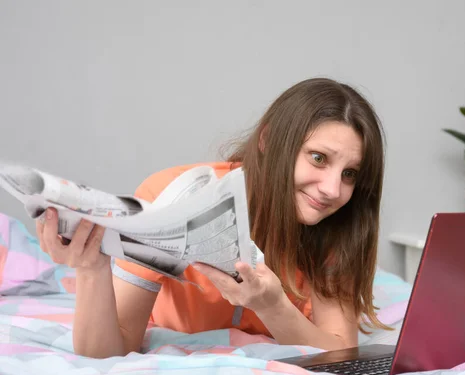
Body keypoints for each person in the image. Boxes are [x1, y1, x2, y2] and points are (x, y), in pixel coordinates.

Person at [36, 77, 388, 359]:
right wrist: (91, 269)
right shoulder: (168, 195)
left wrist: (272, 305)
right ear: (268, 140)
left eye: (350, 174)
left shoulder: (337, 228)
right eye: (318, 158)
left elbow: (342, 357)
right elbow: (109, 352)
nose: (332, 189)